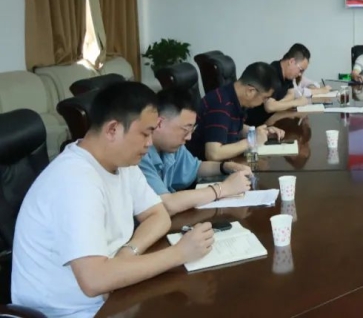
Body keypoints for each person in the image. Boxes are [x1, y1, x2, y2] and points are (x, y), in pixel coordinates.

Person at [11, 82, 215, 318]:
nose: (150, 143)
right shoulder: (75, 180)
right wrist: (179, 253)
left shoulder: (124, 162)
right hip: (73, 312)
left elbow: (157, 214)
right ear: (112, 130)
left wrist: (128, 252)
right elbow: (94, 280)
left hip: (116, 294)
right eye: (146, 133)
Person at [139, 88, 254, 215]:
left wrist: (225, 167)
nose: (189, 137)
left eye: (191, 130)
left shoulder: (170, 146)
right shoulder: (139, 153)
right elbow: (167, 204)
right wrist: (224, 189)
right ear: (159, 123)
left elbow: (195, 167)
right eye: (185, 130)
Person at [192, 61, 285, 162]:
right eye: (265, 98)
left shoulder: (232, 95)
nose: (264, 102)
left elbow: (234, 128)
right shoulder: (221, 104)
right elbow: (213, 154)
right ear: (250, 91)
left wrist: (261, 133)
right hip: (201, 167)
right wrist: (252, 141)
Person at [246, 43, 312, 126]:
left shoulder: (288, 75)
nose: (300, 74)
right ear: (292, 61)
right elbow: (269, 107)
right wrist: (296, 102)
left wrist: (278, 105)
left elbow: (291, 94)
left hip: (272, 119)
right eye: (301, 70)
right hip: (256, 124)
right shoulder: (272, 73)